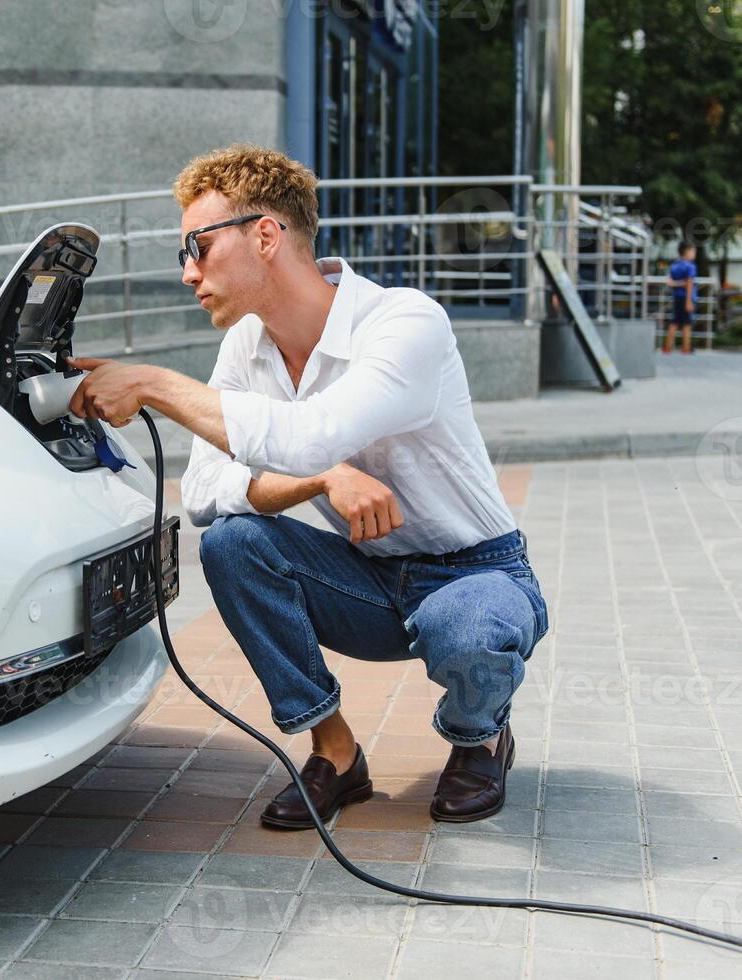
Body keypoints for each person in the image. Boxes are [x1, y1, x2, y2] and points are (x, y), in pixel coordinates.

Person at [67, 144, 548, 827]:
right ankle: (337, 752)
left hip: (476, 574)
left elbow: (316, 434)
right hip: (369, 578)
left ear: (265, 235)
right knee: (233, 544)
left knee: (466, 630)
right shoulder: (247, 345)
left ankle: (480, 735)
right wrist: (318, 481)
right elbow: (205, 488)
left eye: (198, 247)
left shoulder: (404, 323)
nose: (187, 273)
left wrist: (150, 383)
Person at [663, 243, 698, 354]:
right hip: (686, 297)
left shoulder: (674, 265)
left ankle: (667, 347)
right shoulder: (690, 266)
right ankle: (686, 347)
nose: (694, 254)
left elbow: (669, 282)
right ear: (686, 251)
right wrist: (688, 302)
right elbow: (689, 284)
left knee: (675, 322)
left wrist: (678, 283)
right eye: (693, 251)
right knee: (687, 324)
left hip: (676, 297)